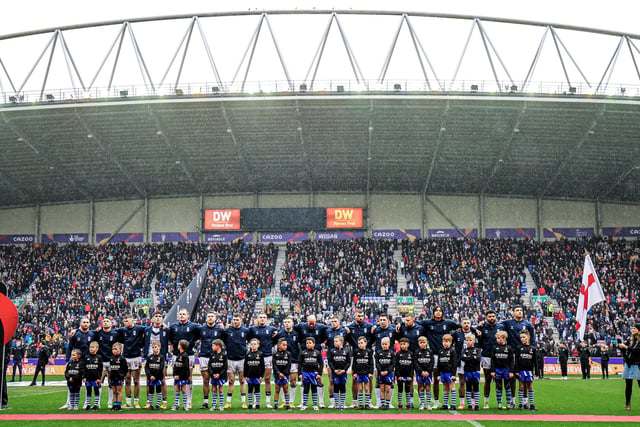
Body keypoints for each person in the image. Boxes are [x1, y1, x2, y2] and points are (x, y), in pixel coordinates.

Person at [420, 306, 461, 408]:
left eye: (440, 311)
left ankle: (450, 403)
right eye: (436, 311)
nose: (438, 313)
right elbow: (414, 322)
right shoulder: (428, 323)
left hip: (446, 354)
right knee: (436, 378)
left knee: (449, 380)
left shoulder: (448, 323)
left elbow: (460, 326)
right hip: (434, 354)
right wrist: (401, 323)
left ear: (442, 313)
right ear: (433, 313)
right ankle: (436, 400)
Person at [168, 308, 201, 410]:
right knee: (176, 377)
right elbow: (170, 338)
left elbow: (200, 333)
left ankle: (188, 401)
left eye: (183, 314)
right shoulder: (173, 327)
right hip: (176, 355)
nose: (181, 315)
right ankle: (176, 402)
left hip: (189, 355)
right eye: (180, 314)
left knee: (189, 377)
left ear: (188, 315)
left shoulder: (193, 326)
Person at [247, 312, 278, 408]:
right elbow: (249, 339)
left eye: (264, 317)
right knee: (255, 379)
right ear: (257, 318)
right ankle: (255, 402)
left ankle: (268, 402)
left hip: (267, 356)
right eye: (260, 317)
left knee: (267, 379)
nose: (262, 319)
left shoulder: (272, 329)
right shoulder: (252, 329)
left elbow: (275, 339)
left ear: (266, 319)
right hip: (256, 357)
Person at [116, 313, 146, 408]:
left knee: (136, 380)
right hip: (125, 357)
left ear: (132, 320)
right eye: (124, 321)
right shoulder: (122, 330)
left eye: (127, 320)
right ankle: (128, 402)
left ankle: (136, 401)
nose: (125, 322)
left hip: (136, 357)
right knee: (127, 379)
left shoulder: (139, 328)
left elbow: (149, 329)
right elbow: (112, 331)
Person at [222, 314, 249, 409]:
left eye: (237, 319)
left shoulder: (245, 331)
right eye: (234, 319)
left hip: (242, 359)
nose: (235, 321)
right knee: (231, 381)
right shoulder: (228, 331)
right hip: (230, 359)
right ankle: (228, 402)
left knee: (242, 380)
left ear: (241, 320)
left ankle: (243, 402)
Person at [199, 311, 224, 409]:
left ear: (215, 318)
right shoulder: (201, 329)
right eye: (208, 316)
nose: (210, 318)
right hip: (204, 356)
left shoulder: (220, 330)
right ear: (206, 318)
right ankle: (205, 402)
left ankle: (218, 403)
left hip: (216, 358)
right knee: (206, 380)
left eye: (212, 316)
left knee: (217, 379)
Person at [273, 316, 300, 408]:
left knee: (292, 381)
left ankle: (291, 401)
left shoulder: (297, 334)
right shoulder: (280, 334)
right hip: (282, 361)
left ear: (292, 323)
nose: (287, 323)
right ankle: (284, 401)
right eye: (285, 322)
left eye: (289, 322)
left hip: (294, 360)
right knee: (281, 382)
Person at [477, 309, 502, 408]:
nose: (492, 318)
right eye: (489, 316)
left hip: (498, 356)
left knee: (498, 379)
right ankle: (486, 402)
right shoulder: (483, 327)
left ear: (495, 317)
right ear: (486, 318)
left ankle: (499, 402)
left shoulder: (501, 327)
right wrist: (479, 325)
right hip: (486, 356)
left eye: (493, 316)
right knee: (487, 379)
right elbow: (476, 333)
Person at [144, 311, 169, 409]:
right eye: (156, 316)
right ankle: (148, 402)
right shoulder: (147, 330)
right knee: (148, 380)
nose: (158, 318)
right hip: (149, 357)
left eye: (160, 316)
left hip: (161, 357)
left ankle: (164, 401)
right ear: (153, 318)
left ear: (162, 318)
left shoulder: (166, 330)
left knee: (162, 379)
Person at [94, 317, 118, 408]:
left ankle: (109, 402)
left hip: (111, 361)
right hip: (101, 361)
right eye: (104, 321)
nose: (105, 322)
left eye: (107, 321)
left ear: (111, 324)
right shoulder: (98, 333)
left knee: (111, 383)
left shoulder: (115, 334)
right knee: (99, 382)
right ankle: (98, 403)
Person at [618, 324, 640, 411]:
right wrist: (620, 343)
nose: (633, 330)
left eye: (635, 328)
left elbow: (636, 351)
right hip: (629, 364)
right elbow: (625, 350)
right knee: (628, 385)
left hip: (637, 364)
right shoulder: (631, 340)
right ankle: (627, 403)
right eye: (632, 328)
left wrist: (626, 347)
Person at [491, 330, 514, 410]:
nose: (497, 340)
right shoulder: (494, 348)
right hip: (497, 370)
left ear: (504, 338)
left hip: (506, 370)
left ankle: (508, 403)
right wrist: (492, 371)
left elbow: (511, 360)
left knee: (507, 387)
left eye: (499, 338)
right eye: (497, 338)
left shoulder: (509, 348)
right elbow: (492, 360)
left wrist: (511, 371)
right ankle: (499, 403)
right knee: (498, 387)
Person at [298, 336, 323, 411]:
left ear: (314, 344)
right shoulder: (303, 353)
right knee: (306, 388)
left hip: (314, 373)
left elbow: (321, 364)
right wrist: (300, 374)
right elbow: (300, 364)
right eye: (307, 343)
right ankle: (304, 404)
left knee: (314, 388)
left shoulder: (317, 353)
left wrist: (319, 374)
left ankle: (315, 404)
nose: (308, 344)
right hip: (305, 373)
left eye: (310, 343)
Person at [515, 330, 537, 411]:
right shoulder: (518, 348)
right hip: (521, 370)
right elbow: (516, 360)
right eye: (521, 337)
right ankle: (521, 404)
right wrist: (516, 370)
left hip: (529, 370)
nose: (522, 339)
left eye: (524, 337)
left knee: (530, 386)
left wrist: (536, 371)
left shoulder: (532, 349)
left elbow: (534, 361)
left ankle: (531, 404)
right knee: (521, 386)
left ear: (528, 337)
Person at [327, 335, 350, 411]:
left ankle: (342, 404)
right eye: (334, 341)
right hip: (335, 372)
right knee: (336, 387)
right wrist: (334, 370)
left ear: (341, 342)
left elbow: (348, 362)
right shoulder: (332, 351)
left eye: (336, 341)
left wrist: (344, 370)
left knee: (342, 387)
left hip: (343, 372)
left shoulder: (346, 351)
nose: (335, 342)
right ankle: (337, 404)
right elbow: (330, 362)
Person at [352, 335, 374, 409]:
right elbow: (354, 363)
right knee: (360, 389)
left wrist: (371, 372)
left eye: (361, 343)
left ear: (365, 343)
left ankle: (367, 404)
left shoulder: (369, 352)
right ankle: (361, 404)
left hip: (366, 374)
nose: (360, 344)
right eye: (359, 343)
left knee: (367, 389)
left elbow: (371, 363)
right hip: (358, 374)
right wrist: (354, 372)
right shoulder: (356, 352)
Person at [436, 334, 457, 410]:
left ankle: (453, 404)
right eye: (444, 341)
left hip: (449, 372)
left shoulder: (452, 351)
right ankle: (445, 404)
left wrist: (453, 374)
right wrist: (438, 374)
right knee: (445, 388)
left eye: (447, 341)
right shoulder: (441, 351)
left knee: (452, 387)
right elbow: (438, 363)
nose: (445, 343)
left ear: (451, 342)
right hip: (442, 372)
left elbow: (454, 363)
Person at [461, 333, 482, 411]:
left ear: (474, 341)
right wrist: (473, 357)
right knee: (468, 388)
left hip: (476, 370)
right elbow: (463, 358)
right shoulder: (465, 350)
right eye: (467, 340)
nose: (469, 342)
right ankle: (470, 405)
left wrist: (469, 357)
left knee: (476, 387)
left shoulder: (478, 350)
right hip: (467, 371)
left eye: (470, 340)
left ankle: (476, 404)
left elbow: (478, 359)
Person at [244, 338, 265, 410]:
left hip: (257, 376)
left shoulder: (260, 354)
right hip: (249, 376)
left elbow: (262, 366)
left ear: (258, 345)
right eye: (252, 344)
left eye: (255, 344)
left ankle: (257, 404)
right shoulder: (248, 354)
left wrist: (261, 376)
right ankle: (250, 404)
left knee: (257, 390)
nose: (253, 345)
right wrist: (245, 375)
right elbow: (245, 365)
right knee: (250, 390)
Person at [414, 336, 434, 410]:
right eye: (421, 343)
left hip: (428, 373)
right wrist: (421, 371)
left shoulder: (430, 351)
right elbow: (415, 363)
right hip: (420, 373)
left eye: (424, 342)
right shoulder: (416, 351)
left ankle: (428, 404)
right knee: (421, 387)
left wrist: (428, 371)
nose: (422, 344)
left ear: (427, 343)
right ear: (418, 343)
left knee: (428, 387)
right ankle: (422, 403)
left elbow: (432, 362)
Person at [375, 336, 395, 410]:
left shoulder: (391, 353)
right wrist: (381, 371)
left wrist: (387, 371)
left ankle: (388, 404)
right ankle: (382, 403)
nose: (384, 345)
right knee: (382, 389)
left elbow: (393, 364)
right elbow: (377, 363)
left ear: (389, 344)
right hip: (381, 373)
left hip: (388, 373)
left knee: (388, 389)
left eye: (386, 344)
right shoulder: (378, 353)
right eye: (383, 344)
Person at [144, 341, 165, 410]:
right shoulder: (150, 357)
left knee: (158, 390)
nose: (154, 349)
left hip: (158, 377)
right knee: (151, 391)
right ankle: (151, 405)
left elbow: (161, 368)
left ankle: (158, 404)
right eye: (153, 347)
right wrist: (150, 376)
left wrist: (155, 376)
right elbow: (146, 367)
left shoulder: (161, 357)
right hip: (151, 378)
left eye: (156, 347)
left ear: (159, 347)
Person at [207, 339, 227, 411]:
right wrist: (212, 374)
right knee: (214, 389)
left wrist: (220, 374)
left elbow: (225, 366)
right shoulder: (212, 355)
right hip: (213, 376)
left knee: (221, 389)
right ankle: (214, 405)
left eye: (213, 345)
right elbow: (209, 365)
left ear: (218, 346)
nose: (212, 347)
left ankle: (221, 405)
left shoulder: (223, 355)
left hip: (221, 376)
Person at [272, 338, 292, 410]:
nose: (285, 346)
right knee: (277, 390)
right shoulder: (275, 354)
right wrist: (278, 373)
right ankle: (275, 406)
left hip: (285, 374)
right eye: (283, 345)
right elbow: (274, 365)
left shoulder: (288, 354)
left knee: (286, 389)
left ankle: (287, 405)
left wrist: (284, 373)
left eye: (286, 345)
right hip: (277, 375)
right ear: (279, 345)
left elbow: (289, 365)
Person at [395, 337, 414, 410]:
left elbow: (412, 366)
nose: (402, 346)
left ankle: (408, 404)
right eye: (401, 344)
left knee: (407, 390)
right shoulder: (398, 354)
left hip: (408, 375)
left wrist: (411, 376)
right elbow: (396, 366)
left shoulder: (411, 354)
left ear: (408, 344)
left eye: (404, 344)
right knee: (400, 390)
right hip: (400, 375)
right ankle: (400, 404)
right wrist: (398, 375)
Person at [83, 341, 103, 410]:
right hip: (88, 378)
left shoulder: (99, 357)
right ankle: (88, 404)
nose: (91, 349)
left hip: (95, 378)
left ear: (97, 348)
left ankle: (96, 404)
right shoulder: (86, 357)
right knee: (88, 391)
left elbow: (100, 369)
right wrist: (84, 377)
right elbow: (84, 368)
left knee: (96, 391)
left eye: (93, 347)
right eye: (90, 347)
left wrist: (99, 378)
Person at [109, 342, 128, 411]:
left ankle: (119, 405)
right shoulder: (111, 358)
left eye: (116, 349)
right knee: (114, 391)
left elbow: (125, 369)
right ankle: (115, 404)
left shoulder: (122, 358)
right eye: (113, 349)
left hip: (119, 378)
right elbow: (111, 369)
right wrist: (110, 378)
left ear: (120, 350)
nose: (114, 351)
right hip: (113, 377)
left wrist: (122, 375)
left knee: (119, 391)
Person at [172, 339, 191, 411]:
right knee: (177, 389)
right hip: (177, 376)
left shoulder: (185, 356)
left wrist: (179, 375)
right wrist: (175, 374)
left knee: (183, 389)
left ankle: (185, 405)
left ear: (181, 346)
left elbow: (185, 367)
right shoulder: (178, 355)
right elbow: (176, 366)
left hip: (183, 376)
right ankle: (176, 404)